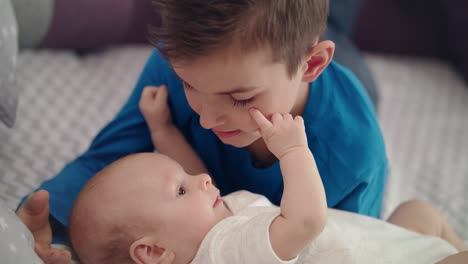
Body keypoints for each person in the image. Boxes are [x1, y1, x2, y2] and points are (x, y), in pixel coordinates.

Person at [17, 0, 388, 262]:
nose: (209, 120)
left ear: (313, 63)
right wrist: (44, 222)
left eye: (240, 98)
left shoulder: (353, 155)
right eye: (189, 86)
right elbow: (108, 160)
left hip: (345, 71)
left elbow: (361, 248)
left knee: (332, 21)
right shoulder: (183, 60)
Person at [65, 89, 465, 263]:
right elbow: (307, 220)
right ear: (152, 252)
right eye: (181, 189)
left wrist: (162, 132)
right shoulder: (228, 250)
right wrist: (293, 151)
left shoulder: (212, 237)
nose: (202, 180)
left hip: (382, 246)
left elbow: (200, 173)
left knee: (418, 214)